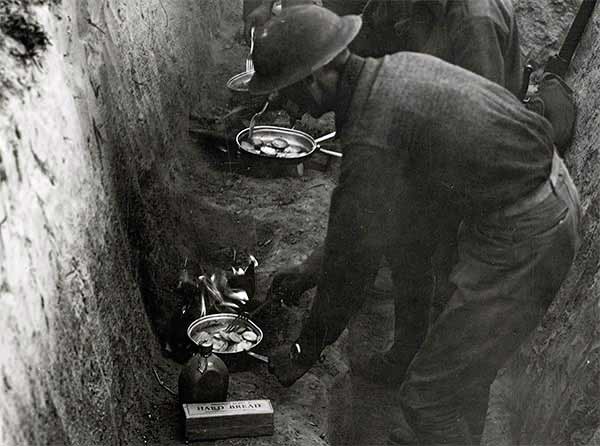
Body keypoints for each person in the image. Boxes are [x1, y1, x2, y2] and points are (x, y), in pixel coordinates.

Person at [248, 5, 581, 445]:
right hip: (529, 198)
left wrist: (304, 349)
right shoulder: (389, 73)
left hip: (527, 231)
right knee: (461, 373)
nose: (292, 106)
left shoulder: (375, 128)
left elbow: (354, 259)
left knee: (428, 398)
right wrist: (314, 268)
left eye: (289, 91)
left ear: (317, 76)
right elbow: (375, 223)